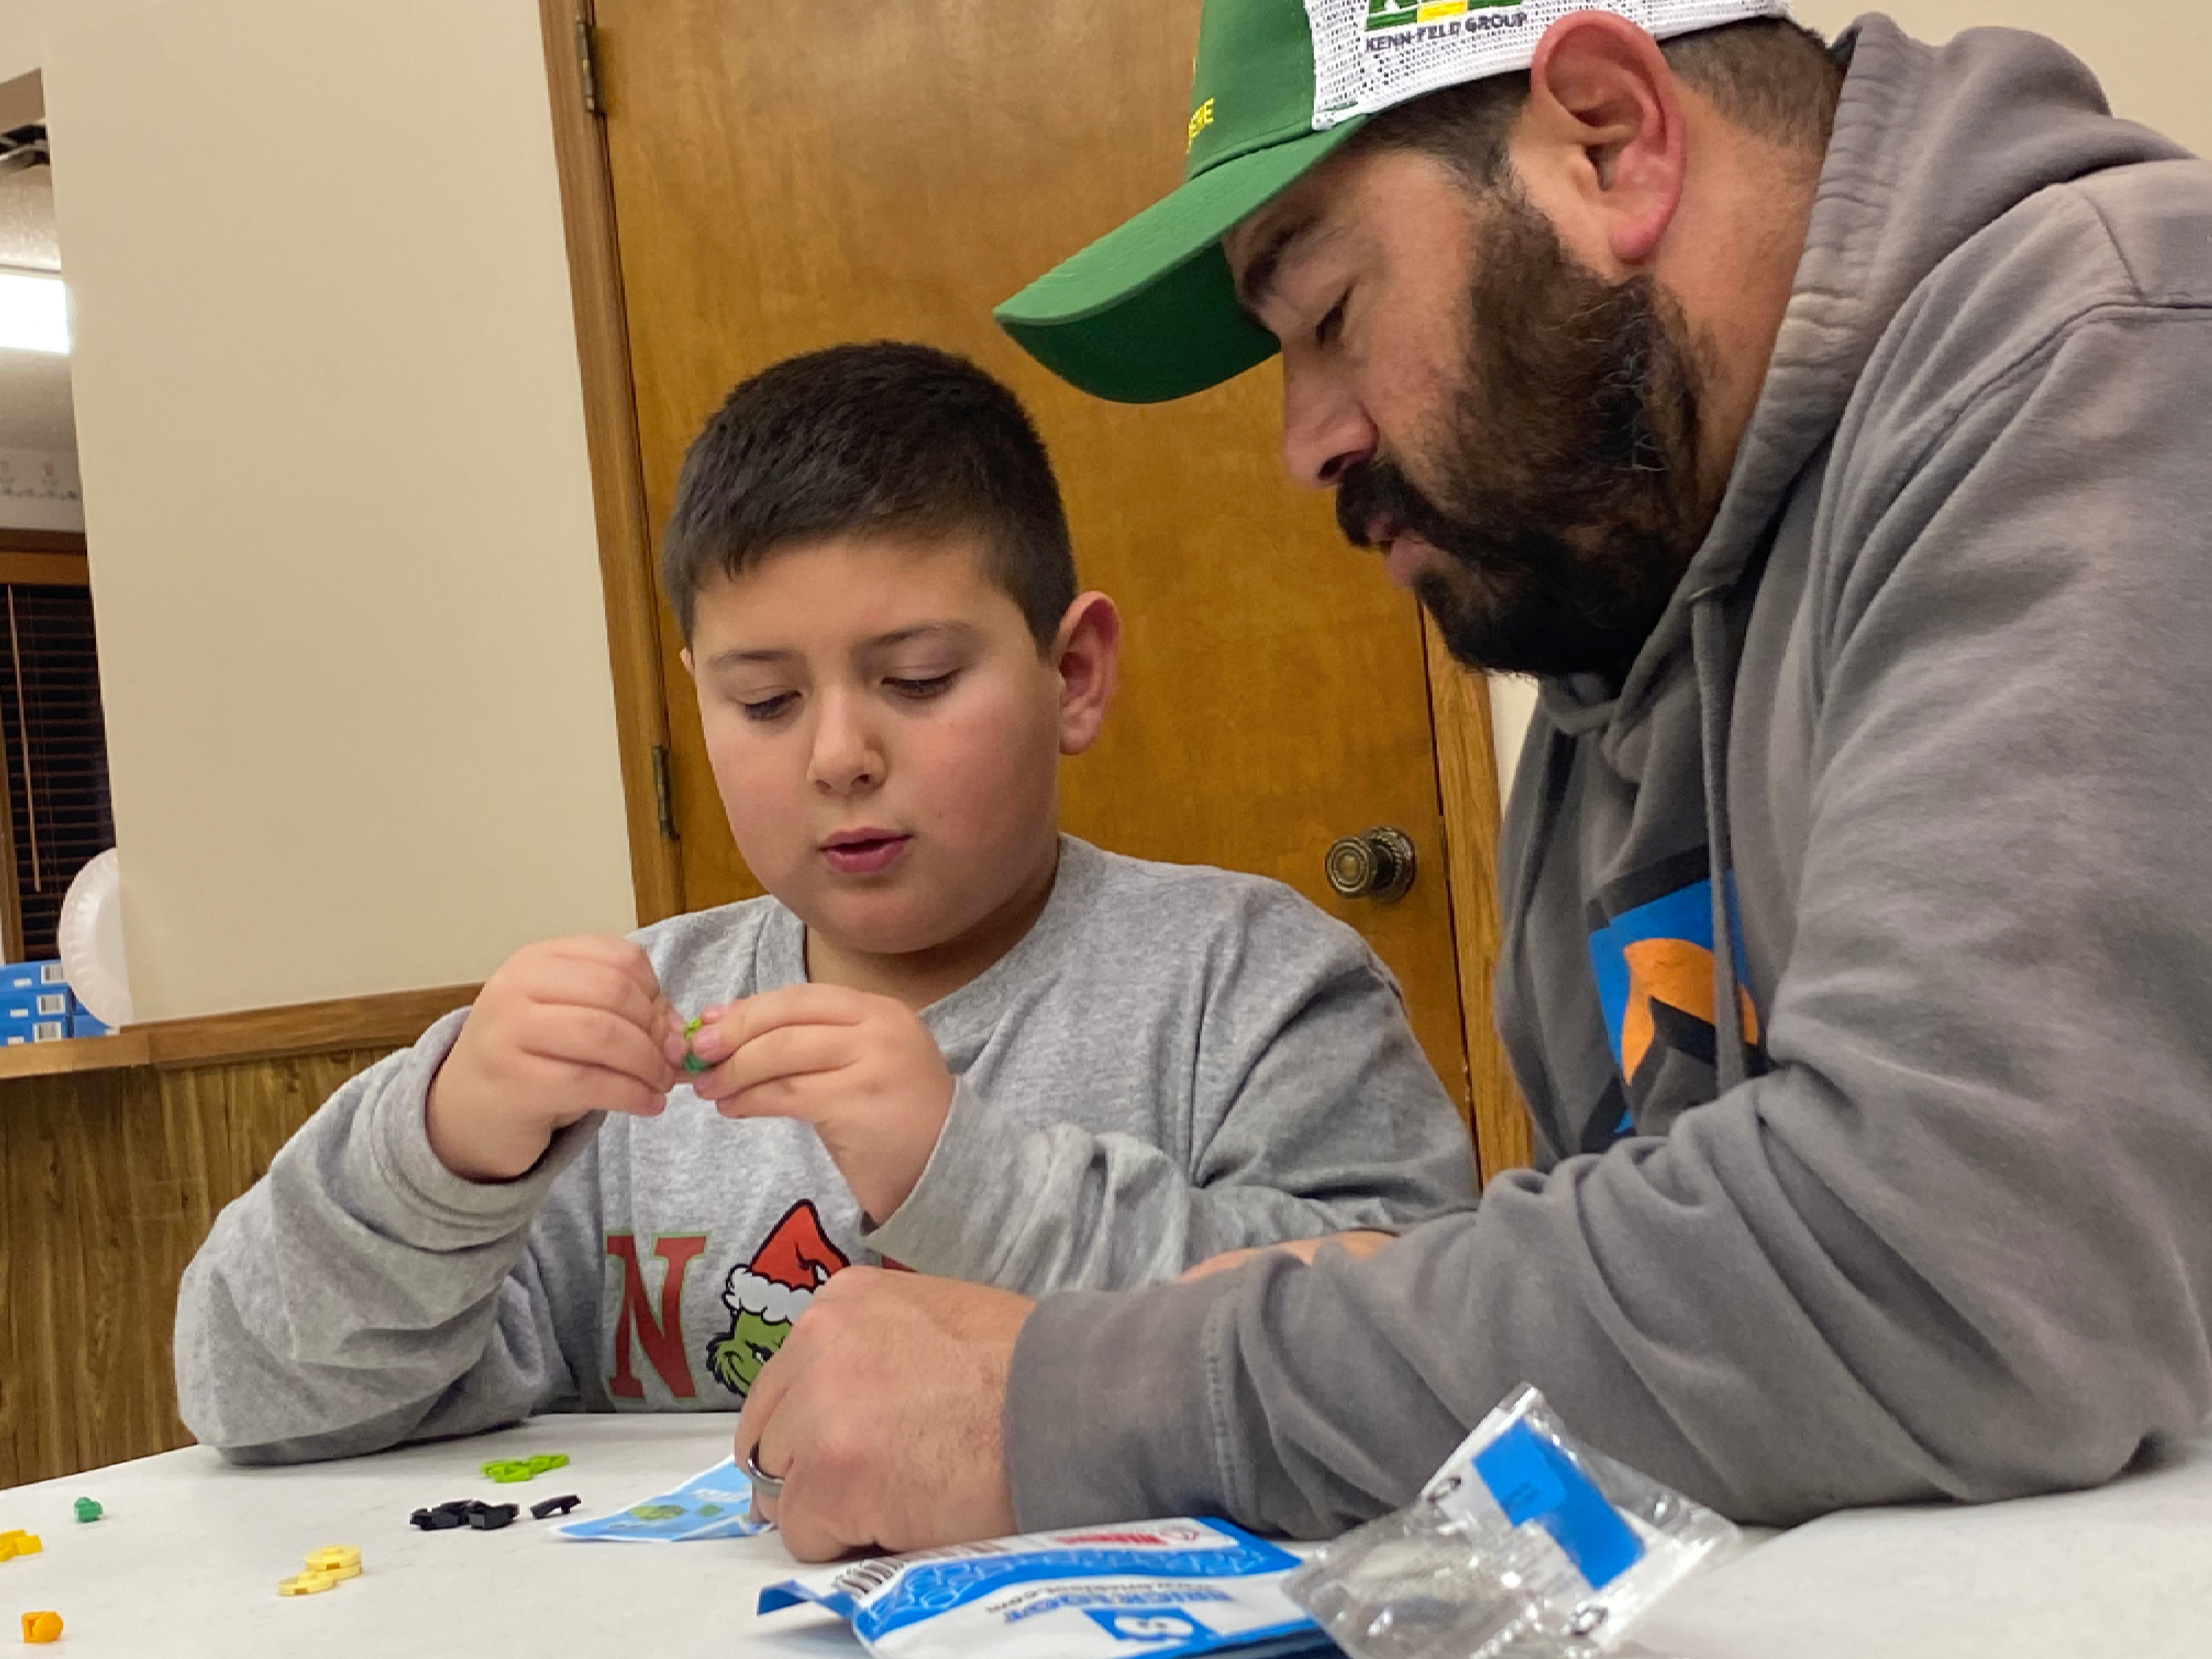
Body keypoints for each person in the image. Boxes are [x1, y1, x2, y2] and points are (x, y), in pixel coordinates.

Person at [732, 3, 2212, 1560]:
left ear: (1608, 136)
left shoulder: (2115, 350)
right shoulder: (1611, 636)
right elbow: (1673, 1307)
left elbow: (1963, 1265)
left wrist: (1069, 1405)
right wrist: (1369, 1320)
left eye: (1327, 314)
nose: (1303, 444)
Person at [171, 341, 1475, 1460]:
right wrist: (441, 1148)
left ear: (1071, 673)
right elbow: (252, 1392)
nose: (838, 754)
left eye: (914, 679)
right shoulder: (626, 1051)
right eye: (765, 701)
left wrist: (965, 1175)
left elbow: (1424, 1374)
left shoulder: (1249, 987)